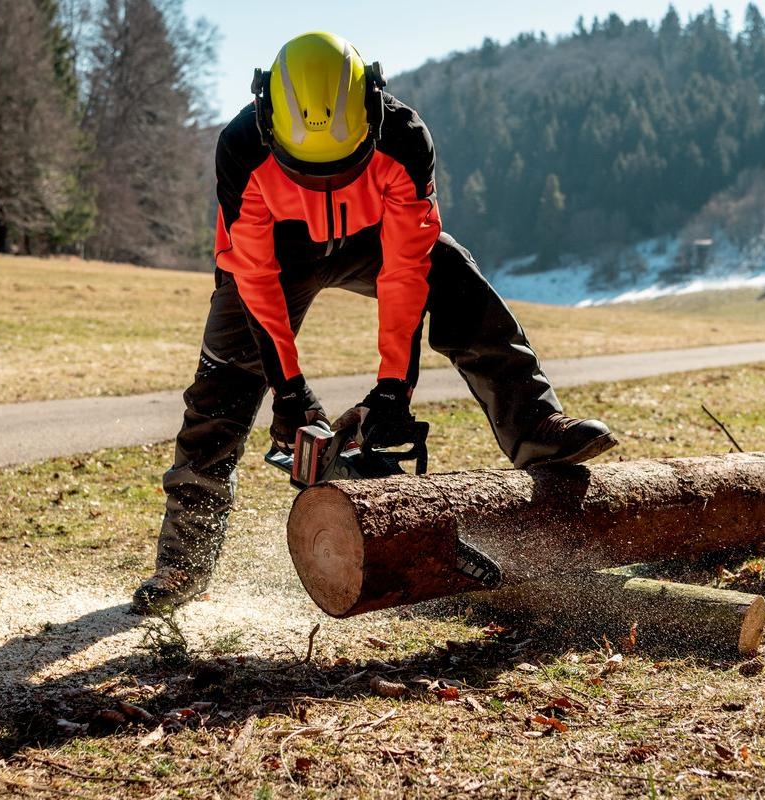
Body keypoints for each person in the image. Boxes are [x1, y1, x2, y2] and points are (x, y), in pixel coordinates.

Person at [131, 31, 617, 614]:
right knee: (223, 386)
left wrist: (393, 390)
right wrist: (290, 394)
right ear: (268, 119)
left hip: (373, 237)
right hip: (278, 254)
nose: (327, 183)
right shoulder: (241, 146)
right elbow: (254, 276)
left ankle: (536, 425)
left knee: (452, 272)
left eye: (341, 167)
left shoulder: (405, 136)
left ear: (371, 110)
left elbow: (407, 267)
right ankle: (183, 564)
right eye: (310, 173)